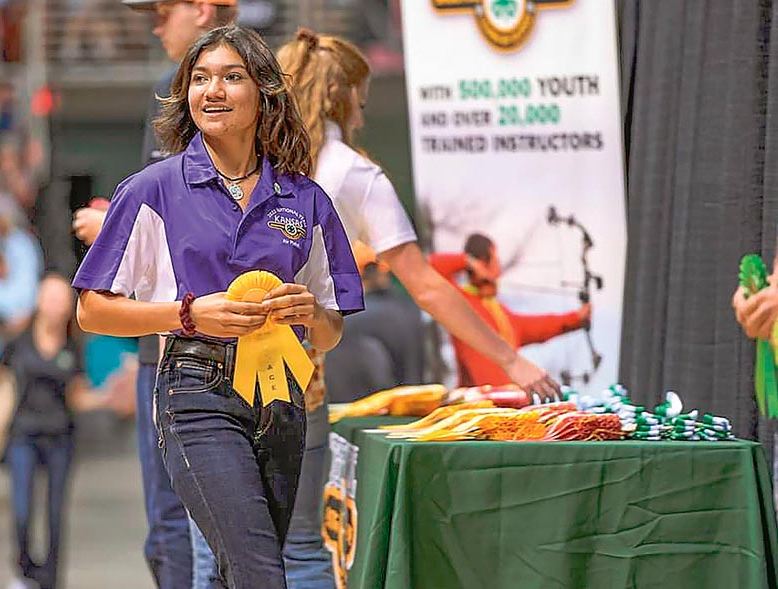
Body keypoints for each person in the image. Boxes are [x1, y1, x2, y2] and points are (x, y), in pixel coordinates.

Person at [72, 25, 363, 589]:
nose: (213, 90)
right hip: (193, 391)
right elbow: (92, 310)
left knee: (241, 572)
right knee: (260, 572)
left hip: (284, 397)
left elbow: (330, 331)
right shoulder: (151, 189)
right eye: (200, 78)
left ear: (264, 95)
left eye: (232, 77)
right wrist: (186, 315)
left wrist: (308, 314)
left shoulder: (305, 199)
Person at [272, 29, 562, 589]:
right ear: (344, 95)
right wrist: (513, 359)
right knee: (302, 547)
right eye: (361, 94)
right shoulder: (353, 174)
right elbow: (425, 286)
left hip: (209, 372)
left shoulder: (245, 158)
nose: (363, 108)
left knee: (221, 552)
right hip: (298, 372)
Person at [70, 2, 238, 587]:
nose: (154, 23)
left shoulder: (193, 98)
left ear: (202, 8)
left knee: (192, 525)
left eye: (164, 10)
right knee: (178, 526)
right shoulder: (169, 97)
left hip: (211, 349)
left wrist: (117, 228)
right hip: (169, 340)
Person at [0, 273, 121, 589]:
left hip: (60, 437)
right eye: (50, 298)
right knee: (21, 510)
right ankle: (24, 570)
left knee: (54, 514)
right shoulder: (17, 341)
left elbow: (77, 396)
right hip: (23, 434)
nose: (55, 305)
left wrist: (109, 397)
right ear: (38, 301)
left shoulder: (72, 347)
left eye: (62, 300)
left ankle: (51, 580)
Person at [430, 233, 591, 387]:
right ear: (484, 264)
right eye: (495, 260)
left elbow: (535, 327)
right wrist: (468, 262)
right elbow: (433, 268)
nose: (499, 267)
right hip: (475, 408)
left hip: (507, 407)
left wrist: (576, 319)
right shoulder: (460, 304)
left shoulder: (500, 314)